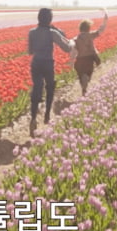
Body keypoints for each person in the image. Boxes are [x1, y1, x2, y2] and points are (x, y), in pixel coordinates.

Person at [27, 7, 73, 136]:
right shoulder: (52, 32)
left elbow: (30, 51)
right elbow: (67, 48)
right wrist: (72, 43)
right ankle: (47, 115)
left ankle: (33, 118)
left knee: (36, 88)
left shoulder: (32, 32)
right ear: (50, 19)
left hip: (36, 63)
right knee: (50, 87)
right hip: (48, 63)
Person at [72, 9, 109, 96]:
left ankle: (83, 84)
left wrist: (71, 59)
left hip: (80, 59)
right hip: (90, 58)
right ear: (88, 28)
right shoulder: (91, 35)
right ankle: (87, 79)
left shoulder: (75, 38)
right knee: (89, 72)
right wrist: (105, 18)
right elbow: (101, 29)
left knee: (80, 73)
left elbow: (72, 48)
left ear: (80, 28)